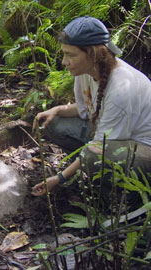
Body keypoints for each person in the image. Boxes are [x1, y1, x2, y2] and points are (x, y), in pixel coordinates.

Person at [31, 16, 151, 201]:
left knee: (92, 157)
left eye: (71, 55)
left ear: (94, 54)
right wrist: (58, 110)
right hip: (111, 138)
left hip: (142, 148)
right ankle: (90, 169)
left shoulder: (122, 88)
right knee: (52, 123)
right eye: (64, 54)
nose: (64, 62)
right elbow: (85, 111)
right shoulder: (84, 73)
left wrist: (60, 178)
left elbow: (99, 147)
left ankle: (122, 196)